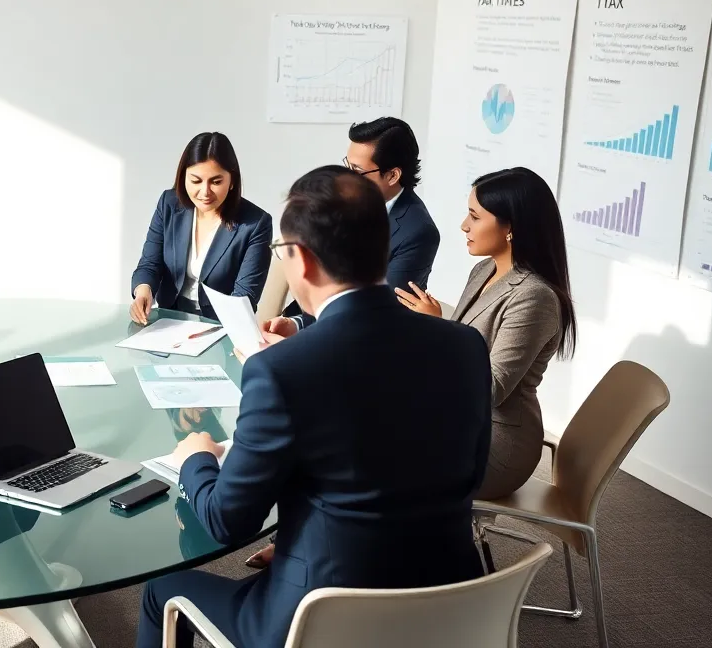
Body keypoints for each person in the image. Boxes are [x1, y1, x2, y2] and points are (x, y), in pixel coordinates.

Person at [136, 166, 491, 648]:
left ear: (300, 261)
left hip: (325, 618)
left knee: (161, 591)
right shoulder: (465, 345)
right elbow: (462, 474)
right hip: (452, 603)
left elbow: (226, 521)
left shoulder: (280, 371)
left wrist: (195, 458)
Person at [396, 166, 577, 500]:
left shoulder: (534, 296)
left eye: (475, 216)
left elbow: (490, 389)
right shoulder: (484, 270)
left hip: (494, 445)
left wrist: (437, 329)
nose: (464, 225)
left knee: (370, 456)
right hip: (455, 421)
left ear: (511, 227)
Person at [276, 117, 440, 333]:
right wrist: (293, 322)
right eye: (347, 165)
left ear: (392, 175)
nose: (346, 177)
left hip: (361, 338)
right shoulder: (342, 198)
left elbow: (373, 310)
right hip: (313, 320)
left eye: (357, 171)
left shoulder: (418, 233)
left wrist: (298, 328)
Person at [129, 132, 273, 324]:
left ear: (232, 181)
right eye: (196, 181)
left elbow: (244, 296)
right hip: (168, 318)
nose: (205, 192)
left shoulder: (255, 223)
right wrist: (143, 291)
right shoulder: (169, 204)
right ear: (184, 178)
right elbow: (150, 264)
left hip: (221, 325)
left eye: (216, 181)